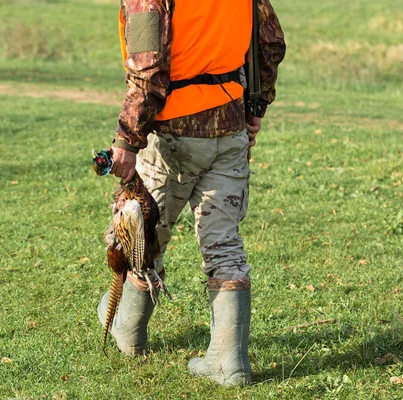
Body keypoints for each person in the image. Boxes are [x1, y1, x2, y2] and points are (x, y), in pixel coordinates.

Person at [97, 0, 286, 386]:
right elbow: (269, 43)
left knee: (143, 233)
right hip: (230, 126)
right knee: (224, 244)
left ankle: (128, 329)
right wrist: (255, 109)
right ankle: (229, 363)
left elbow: (148, 71)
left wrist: (126, 141)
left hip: (173, 134)